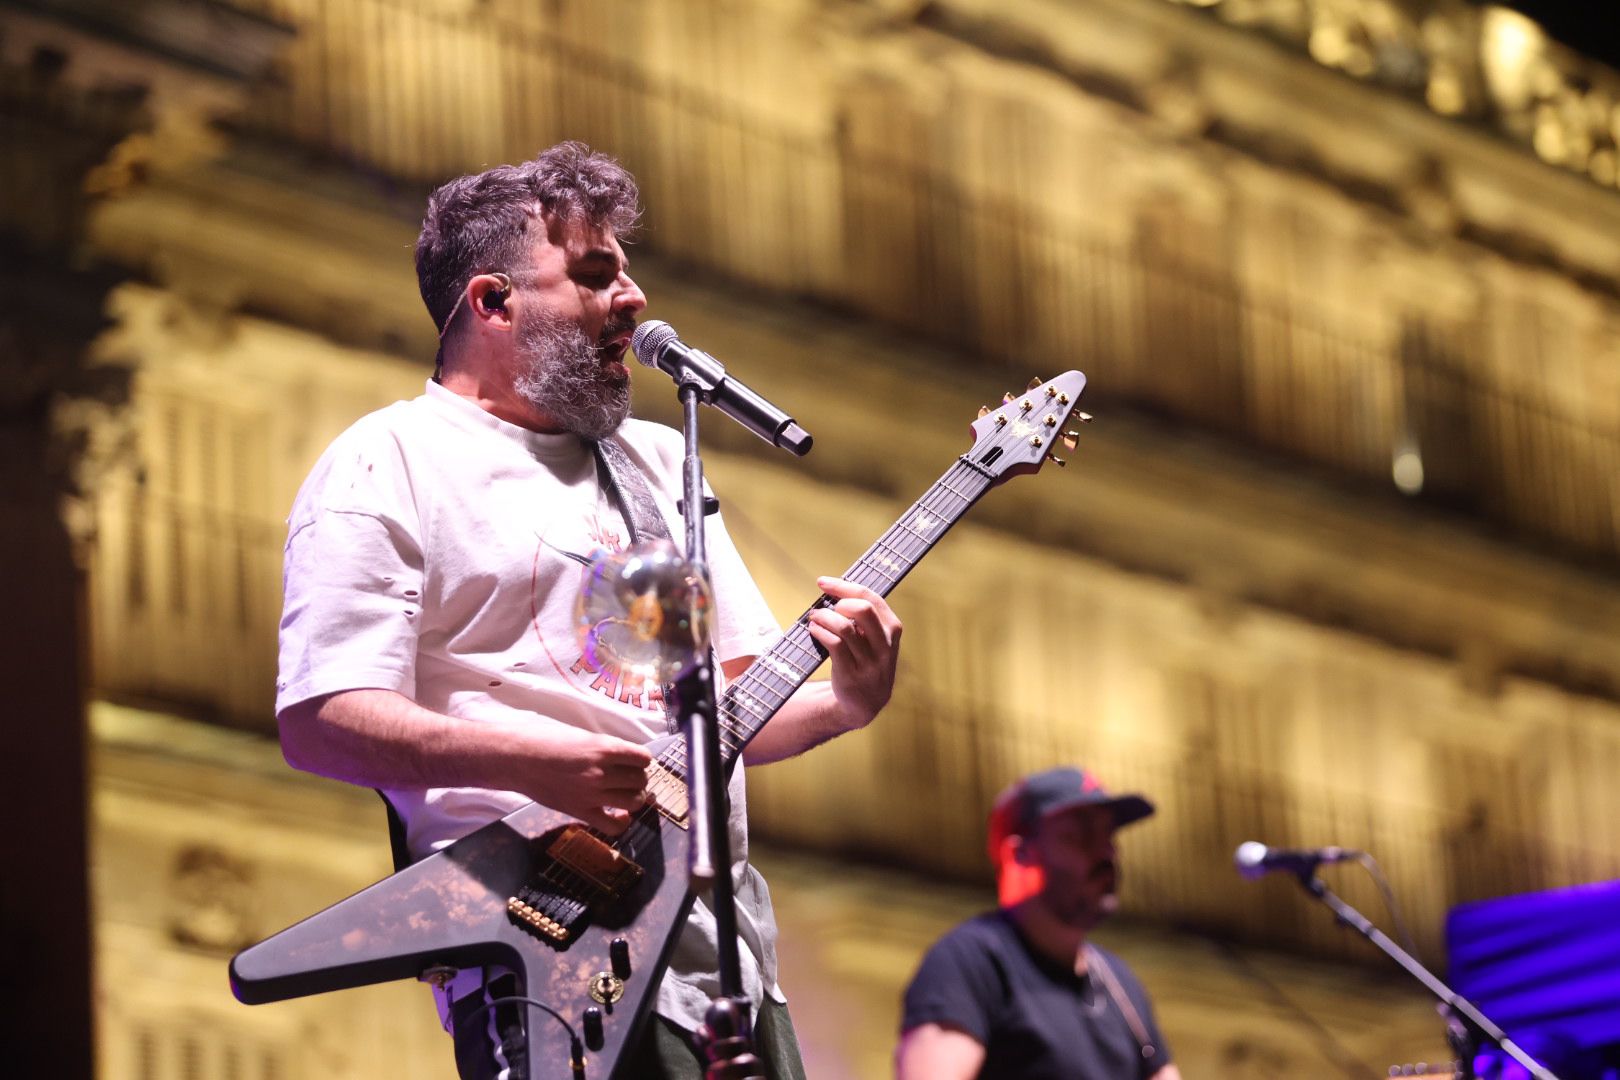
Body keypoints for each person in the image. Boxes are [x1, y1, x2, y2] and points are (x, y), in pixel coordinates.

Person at [273, 141, 903, 1079]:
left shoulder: (647, 467)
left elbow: (708, 713)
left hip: (725, 962)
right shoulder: (391, 461)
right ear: (493, 303)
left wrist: (847, 703)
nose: (636, 299)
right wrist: (539, 761)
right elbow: (323, 721)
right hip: (551, 949)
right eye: (597, 275)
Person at [896, 766, 1180, 1080]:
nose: (1107, 851)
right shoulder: (968, 962)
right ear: (1020, 854)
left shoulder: (1120, 984)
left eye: (1108, 834)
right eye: (1081, 835)